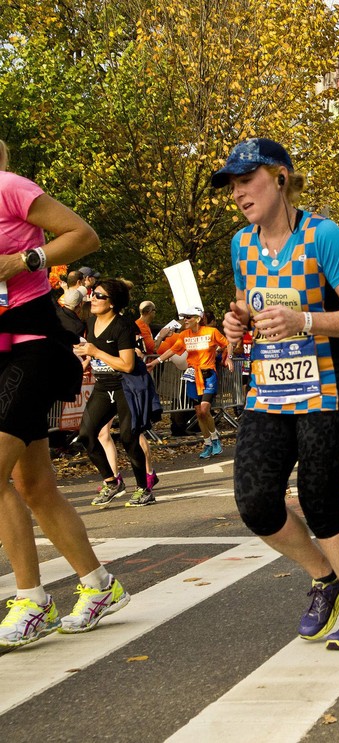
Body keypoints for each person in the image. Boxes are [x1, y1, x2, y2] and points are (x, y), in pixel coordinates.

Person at [216, 136, 339, 650]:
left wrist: (304, 319)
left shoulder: (324, 237)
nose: (239, 194)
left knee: (320, 500)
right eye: (233, 186)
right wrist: (236, 320)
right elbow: (249, 303)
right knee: (254, 502)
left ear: (281, 177)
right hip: (269, 390)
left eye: (248, 181)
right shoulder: (240, 245)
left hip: (329, 391)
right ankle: (323, 577)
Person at [0, 148, 129, 652]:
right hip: (3, 352)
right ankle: (100, 586)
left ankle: (32, 600)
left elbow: (84, 235)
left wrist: (25, 259)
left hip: (33, 345)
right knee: (33, 485)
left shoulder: (9, 186)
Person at [75, 278, 156, 507]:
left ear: (112, 303)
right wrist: (86, 360)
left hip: (125, 386)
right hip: (103, 386)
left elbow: (128, 365)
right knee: (86, 434)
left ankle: (143, 489)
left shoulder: (124, 326)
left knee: (129, 437)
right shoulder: (91, 322)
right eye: (92, 293)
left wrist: (95, 352)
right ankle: (112, 482)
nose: (92, 298)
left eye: (99, 296)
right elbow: (95, 350)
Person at [148, 306, 232, 459]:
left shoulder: (211, 332)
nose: (185, 320)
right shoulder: (184, 335)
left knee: (205, 410)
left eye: (188, 317)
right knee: (199, 413)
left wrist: (229, 358)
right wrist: (155, 362)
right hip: (193, 376)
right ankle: (208, 443)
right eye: (184, 317)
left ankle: (215, 439)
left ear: (198, 319)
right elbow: (173, 350)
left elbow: (227, 344)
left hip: (208, 375)